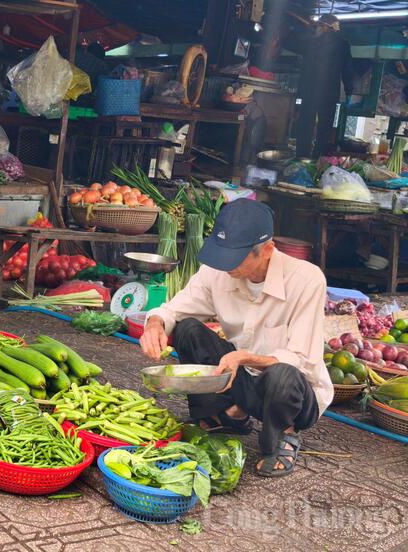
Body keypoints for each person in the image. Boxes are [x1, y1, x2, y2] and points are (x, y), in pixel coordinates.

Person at [140, 199, 330, 478]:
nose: (225, 264)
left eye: (236, 257)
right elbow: (173, 310)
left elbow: (301, 359)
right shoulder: (217, 271)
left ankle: (285, 435)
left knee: (282, 374)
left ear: (266, 250)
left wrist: (244, 357)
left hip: (293, 394)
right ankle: (225, 414)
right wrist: (155, 324)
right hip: (239, 377)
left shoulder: (307, 280)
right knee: (188, 329)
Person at [293, 14, 354, 158]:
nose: (318, 28)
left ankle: (301, 157)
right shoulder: (343, 45)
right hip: (329, 94)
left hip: (309, 93)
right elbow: (348, 71)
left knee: (305, 126)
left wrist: (299, 95)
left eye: (320, 25)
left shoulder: (311, 43)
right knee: (324, 129)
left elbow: (304, 71)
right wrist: (349, 91)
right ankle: (318, 159)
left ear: (327, 27)